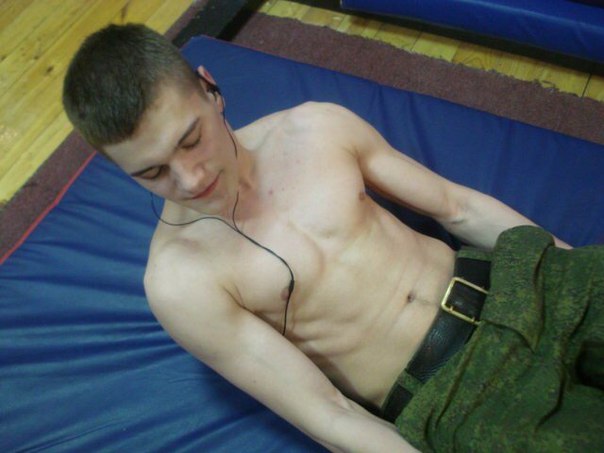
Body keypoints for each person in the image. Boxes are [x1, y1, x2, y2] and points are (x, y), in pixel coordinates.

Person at [63, 24, 603, 452]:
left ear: (210, 90)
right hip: (457, 393)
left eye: (190, 139)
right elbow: (328, 414)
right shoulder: (181, 281)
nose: (190, 179)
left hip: (515, 282)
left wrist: (571, 268)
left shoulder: (314, 128)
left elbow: (457, 207)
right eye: (152, 173)